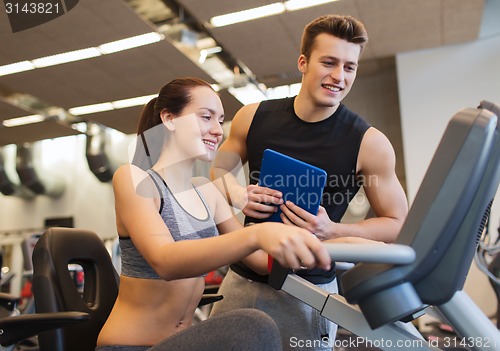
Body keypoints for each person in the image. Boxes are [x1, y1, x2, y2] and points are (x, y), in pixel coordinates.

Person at [209, 14, 409, 351]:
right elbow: (217, 174)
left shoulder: (368, 142)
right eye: (328, 62)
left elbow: (397, 222)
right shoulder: (253, 117)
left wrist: (334, 230)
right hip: (241, 281)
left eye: (349, 67)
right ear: (303, 62)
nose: (338, 76)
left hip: (311, 293)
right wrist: (238, 194)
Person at [96, 77, 332, 351]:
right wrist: (258, 233)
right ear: (169, 119)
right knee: (252, 325)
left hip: (180, 342)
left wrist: (308, 240)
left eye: (220, 121)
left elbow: (258, 261)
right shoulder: (134, 178)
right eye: (206, 117)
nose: (218, 130)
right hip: (131, 346)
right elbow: (165, 261)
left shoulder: (205, 191)